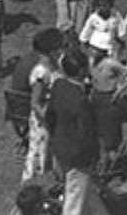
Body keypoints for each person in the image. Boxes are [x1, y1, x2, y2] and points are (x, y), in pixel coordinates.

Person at [45, 51, 109, 215]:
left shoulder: (58, 85)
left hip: (61, 146)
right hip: (78, 155)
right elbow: (86, 132)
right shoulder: (80, 100)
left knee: (85, 191)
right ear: (82, 71)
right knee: (74, 199)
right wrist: (97, 155)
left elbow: (49, 117)